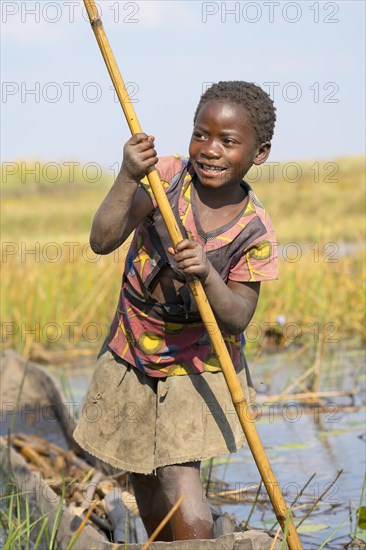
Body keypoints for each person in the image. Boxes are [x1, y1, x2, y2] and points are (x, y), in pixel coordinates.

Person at [74, 81, 278, 541]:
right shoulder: (165, 178)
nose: (209, 150)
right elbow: (102, 241)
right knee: (140, 470)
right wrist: (127, 176)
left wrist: (206, 275)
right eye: (200, 134)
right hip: (134, 347)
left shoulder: (255, 229)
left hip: (199, 363)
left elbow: (239, 315)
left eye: (228, 141)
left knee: (176, 471)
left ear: (259, 153)